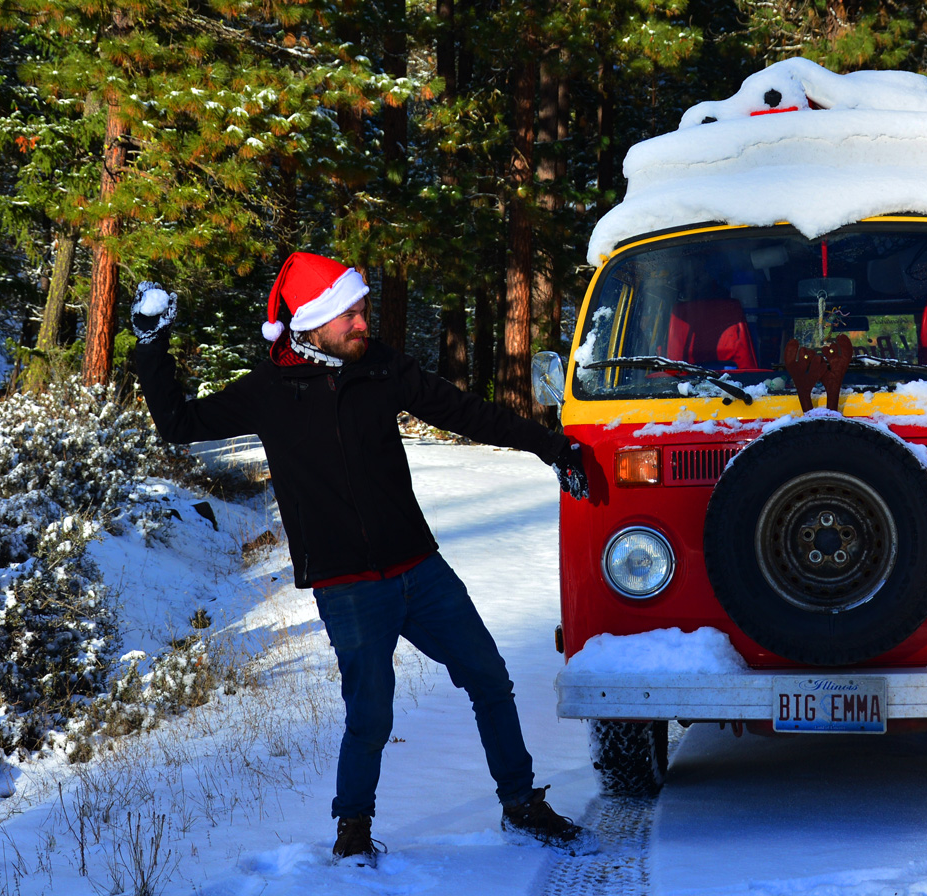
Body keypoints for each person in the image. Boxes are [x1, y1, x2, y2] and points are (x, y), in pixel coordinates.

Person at [129, 252, 595, 865]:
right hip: (347, 585)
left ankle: (520, 803)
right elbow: (177, 422)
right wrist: (151, 345)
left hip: (419, 568)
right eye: (348, 314)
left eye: (363, 310)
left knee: (488, 677)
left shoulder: (381, 370)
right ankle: (353, 829)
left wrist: (549, 446)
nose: (361, 323)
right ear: (313, 322)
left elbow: (465, 411)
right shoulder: (268, 392)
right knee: (370, 714)